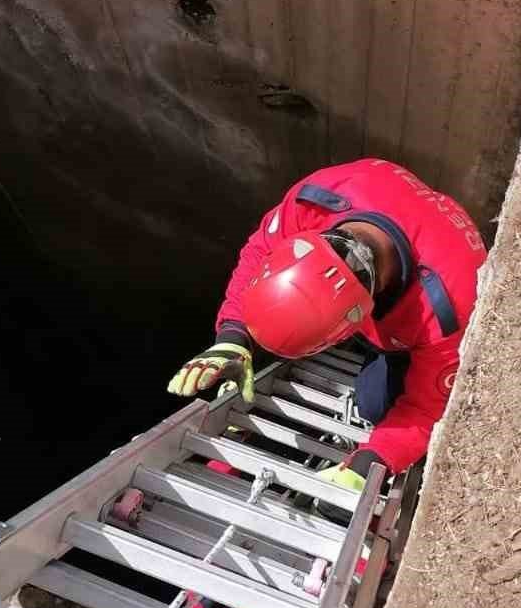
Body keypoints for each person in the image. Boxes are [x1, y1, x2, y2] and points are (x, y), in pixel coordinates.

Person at [168, 158, 487, 500]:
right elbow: (260, 250)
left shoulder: (449, 306)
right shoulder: (319, 198)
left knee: (374, 405)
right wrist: (232, 336)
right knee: (254, 357)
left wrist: (372, 461)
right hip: (387, 293)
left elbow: (426, 408)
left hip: (407, 337)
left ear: (356, 322)